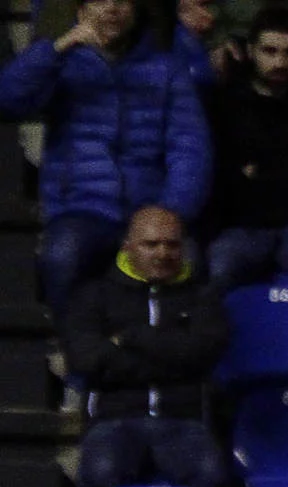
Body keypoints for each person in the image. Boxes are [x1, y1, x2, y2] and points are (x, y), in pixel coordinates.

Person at [0, 0, 211, 314]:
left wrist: (171, 211)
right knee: (62, 256)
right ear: (81, 10)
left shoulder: (166, 68)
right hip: (81, 207)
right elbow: (8, 100)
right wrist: (57, 48)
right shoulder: (62, 62)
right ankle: (73, 342)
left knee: (190, 261)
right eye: (100, 0)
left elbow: (190, 148)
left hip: (152, 206)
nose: (112, 8)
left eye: (122, 1)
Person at [64, 205, 231, 487]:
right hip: (114, 419)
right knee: (101, 473)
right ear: (128, 246)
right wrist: (173, 357)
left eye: (172, 245)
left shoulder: (203, 296)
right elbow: (87, 360)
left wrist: (130, 338)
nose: (162, 253)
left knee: (211, 477)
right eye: (151, 244)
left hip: (184, 420)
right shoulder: (94, 296)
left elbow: (202, 354)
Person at [202, 7, 288, 292]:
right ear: (250, 51)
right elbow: (223, 180)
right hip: (242, 227)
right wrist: (287, 177)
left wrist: (258, 173)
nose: (280, 62)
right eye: (270, 51)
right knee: (217, 271)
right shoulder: (225, 103)